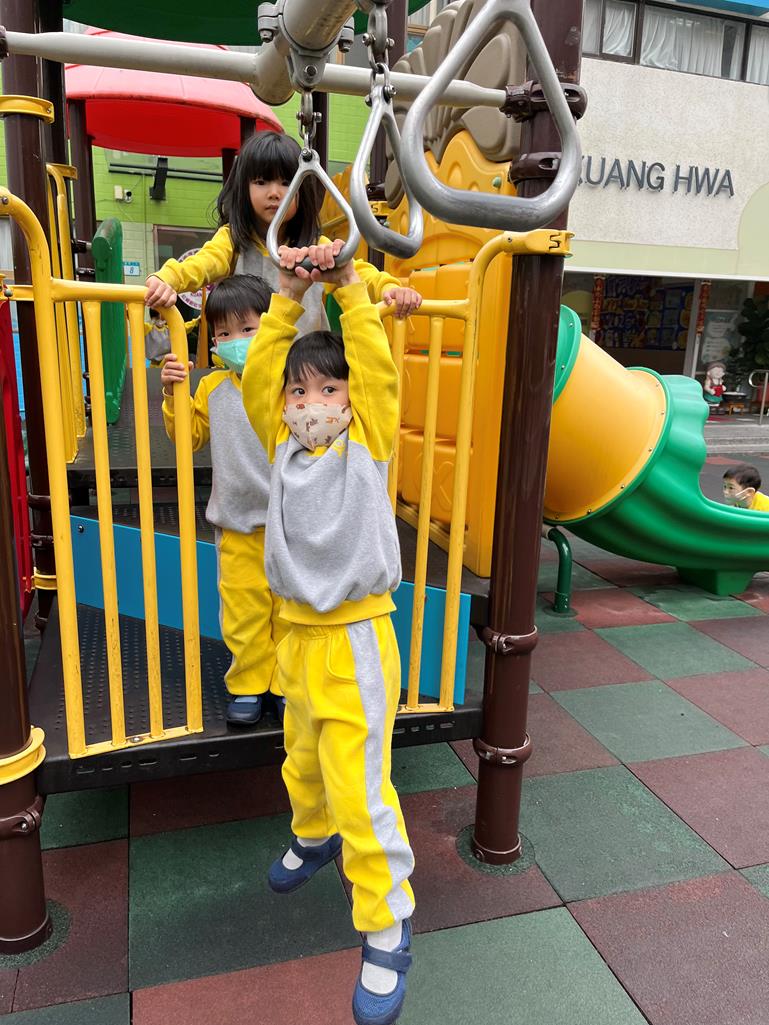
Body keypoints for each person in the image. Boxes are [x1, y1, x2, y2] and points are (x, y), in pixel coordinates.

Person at [241, 241, 414, 1025]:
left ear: (349, 397)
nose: (312, 401)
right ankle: (313, 837)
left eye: (328, 388)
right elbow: (258, 376)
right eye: (300, 390)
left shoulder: (364, 444)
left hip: (354, 639)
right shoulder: (280, 445)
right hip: (296, 636)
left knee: (359, 786)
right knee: (302, 756)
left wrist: (348, 288)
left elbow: (376, 370)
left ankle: (385, 922)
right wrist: (283, 296)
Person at [160, 274, 287, 727]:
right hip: (236, 523)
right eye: (224, 333)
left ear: (271, 328)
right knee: (243, 611)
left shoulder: (288, 383)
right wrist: (173, 393)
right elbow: (188, 437)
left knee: (289, 609)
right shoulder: (212, 388)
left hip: (288, 523)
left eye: (248, 329)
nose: (236, 340)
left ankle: (286, 684)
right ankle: (249, 683)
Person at [144, 131, 422, 329]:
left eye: (287, 183)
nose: (275, 193)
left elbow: (359, 272)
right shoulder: (234, 241)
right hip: (255, 367)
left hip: (306, 372)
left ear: (302, 192)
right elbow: (202, 263)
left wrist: (390, 288)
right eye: (261, 182)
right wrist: (167, 278)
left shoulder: (314, 246)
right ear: (244, 189)